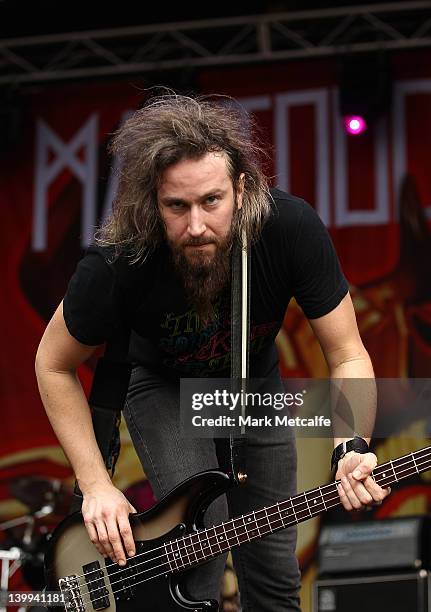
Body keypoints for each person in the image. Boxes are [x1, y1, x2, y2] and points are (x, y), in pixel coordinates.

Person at [35, 94, 390, 612]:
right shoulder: (121, 259)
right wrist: (95, 483)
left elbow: (346, 352)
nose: (196, 226)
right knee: (201, 548)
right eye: (176, 206)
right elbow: (52, 363)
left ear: (242, 189)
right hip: (164, 387)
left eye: (211, 202)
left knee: (273, 569)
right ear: (153, 201)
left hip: (253, 388)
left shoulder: (289, 229)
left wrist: (349, 445)